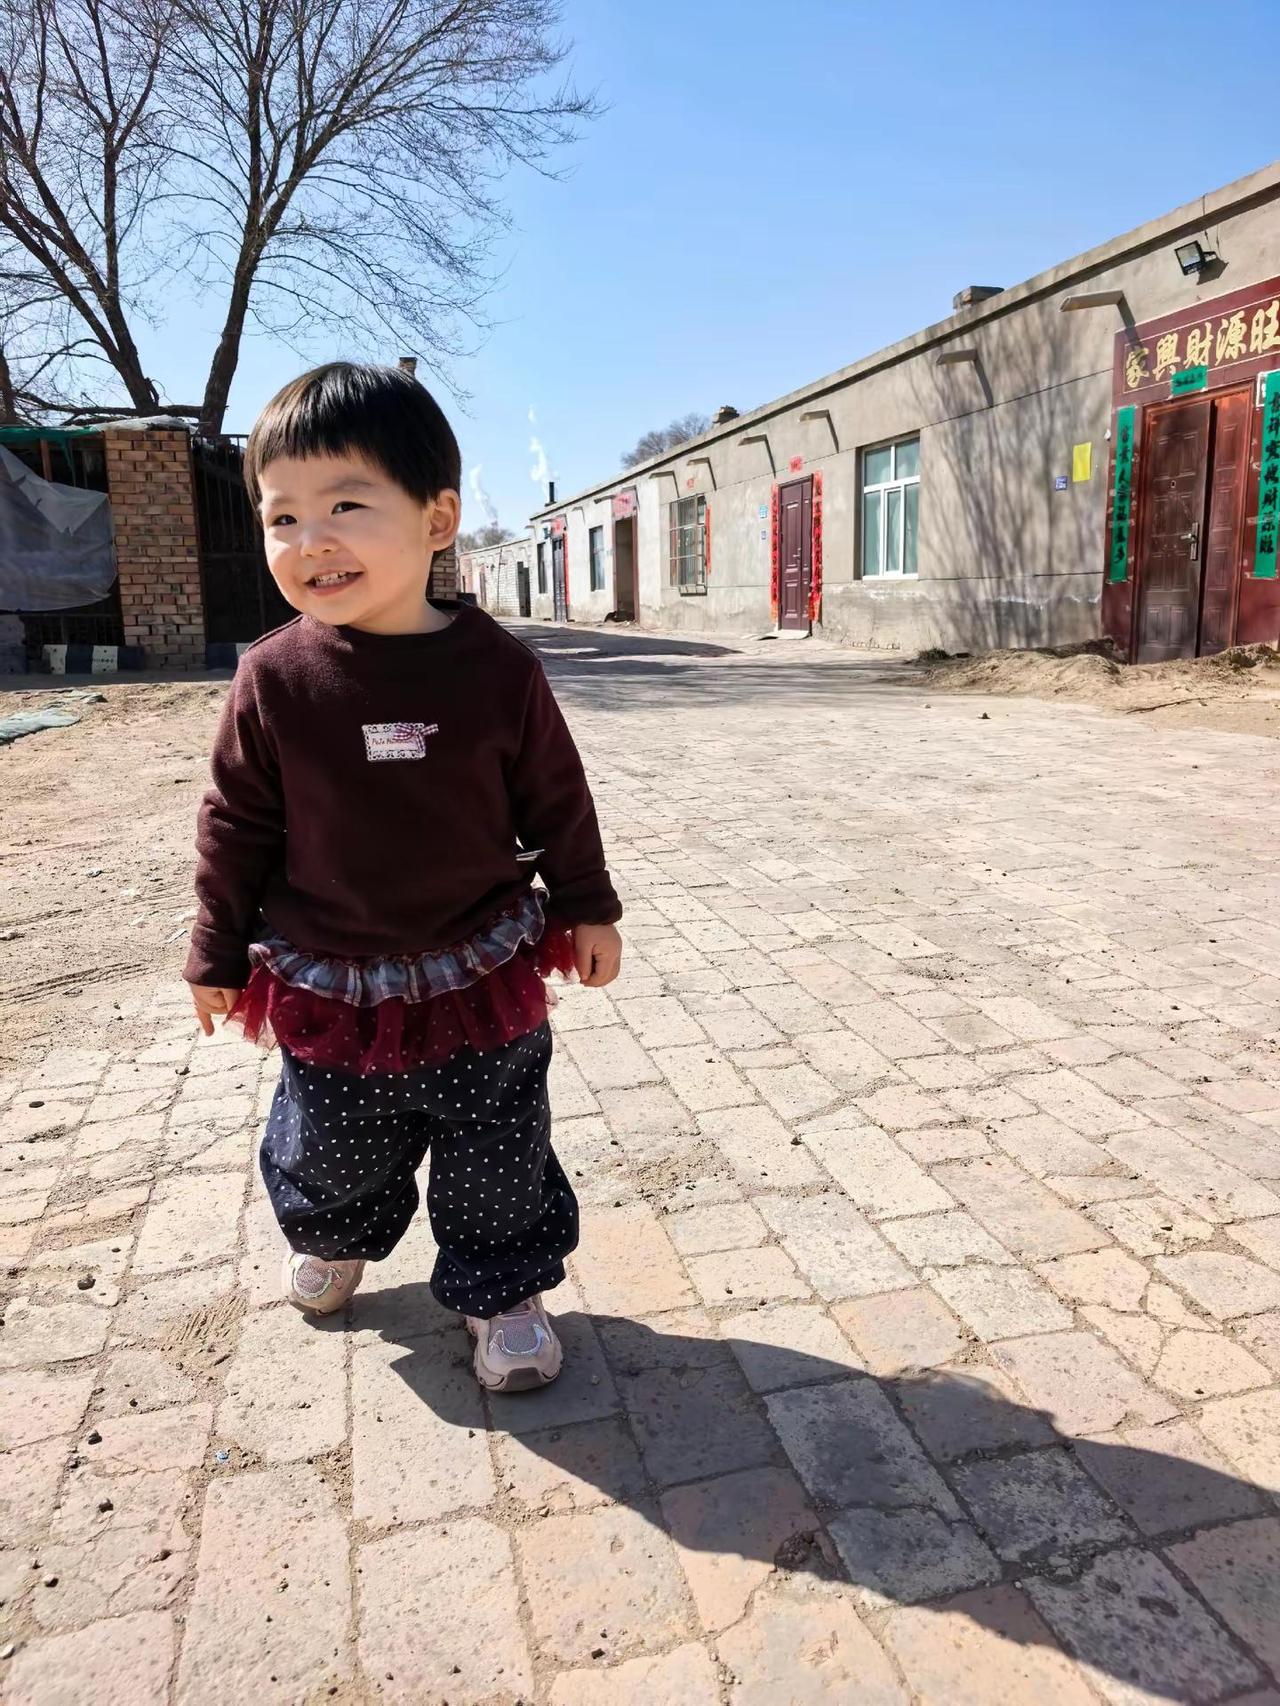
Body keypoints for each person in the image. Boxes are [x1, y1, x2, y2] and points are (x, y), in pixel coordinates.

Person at [183, 361, 622, 1393]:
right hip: (331, 980)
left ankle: (499, 1288)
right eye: (282, 516)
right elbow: (234, 822)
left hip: (481, 970)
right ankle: (334, 1237)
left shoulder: (497, 670)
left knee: (496, 1144)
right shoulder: (272, 678)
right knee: (332, 1140)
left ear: (436, 519)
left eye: (345, 505)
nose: (311, 539)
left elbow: (557, 798)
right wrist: (215, 948)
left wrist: (587, 905)